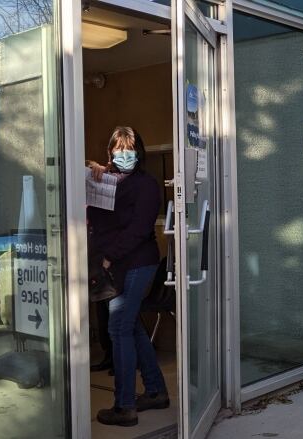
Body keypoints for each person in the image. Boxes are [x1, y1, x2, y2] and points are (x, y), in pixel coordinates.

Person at [87, 126, 168, 426]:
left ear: (139, 152)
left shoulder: (145, 185)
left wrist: (109, 257)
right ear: (110, 153)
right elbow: (92, 218)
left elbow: (138, 229)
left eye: (130, 149)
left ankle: (124, 406)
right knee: (130, 326)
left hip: (135, 263)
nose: (124, 155)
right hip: (113, 265)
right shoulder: (104, 181)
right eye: (118, 150)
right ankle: (156, 392)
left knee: (118, 327)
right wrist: (93, 175)